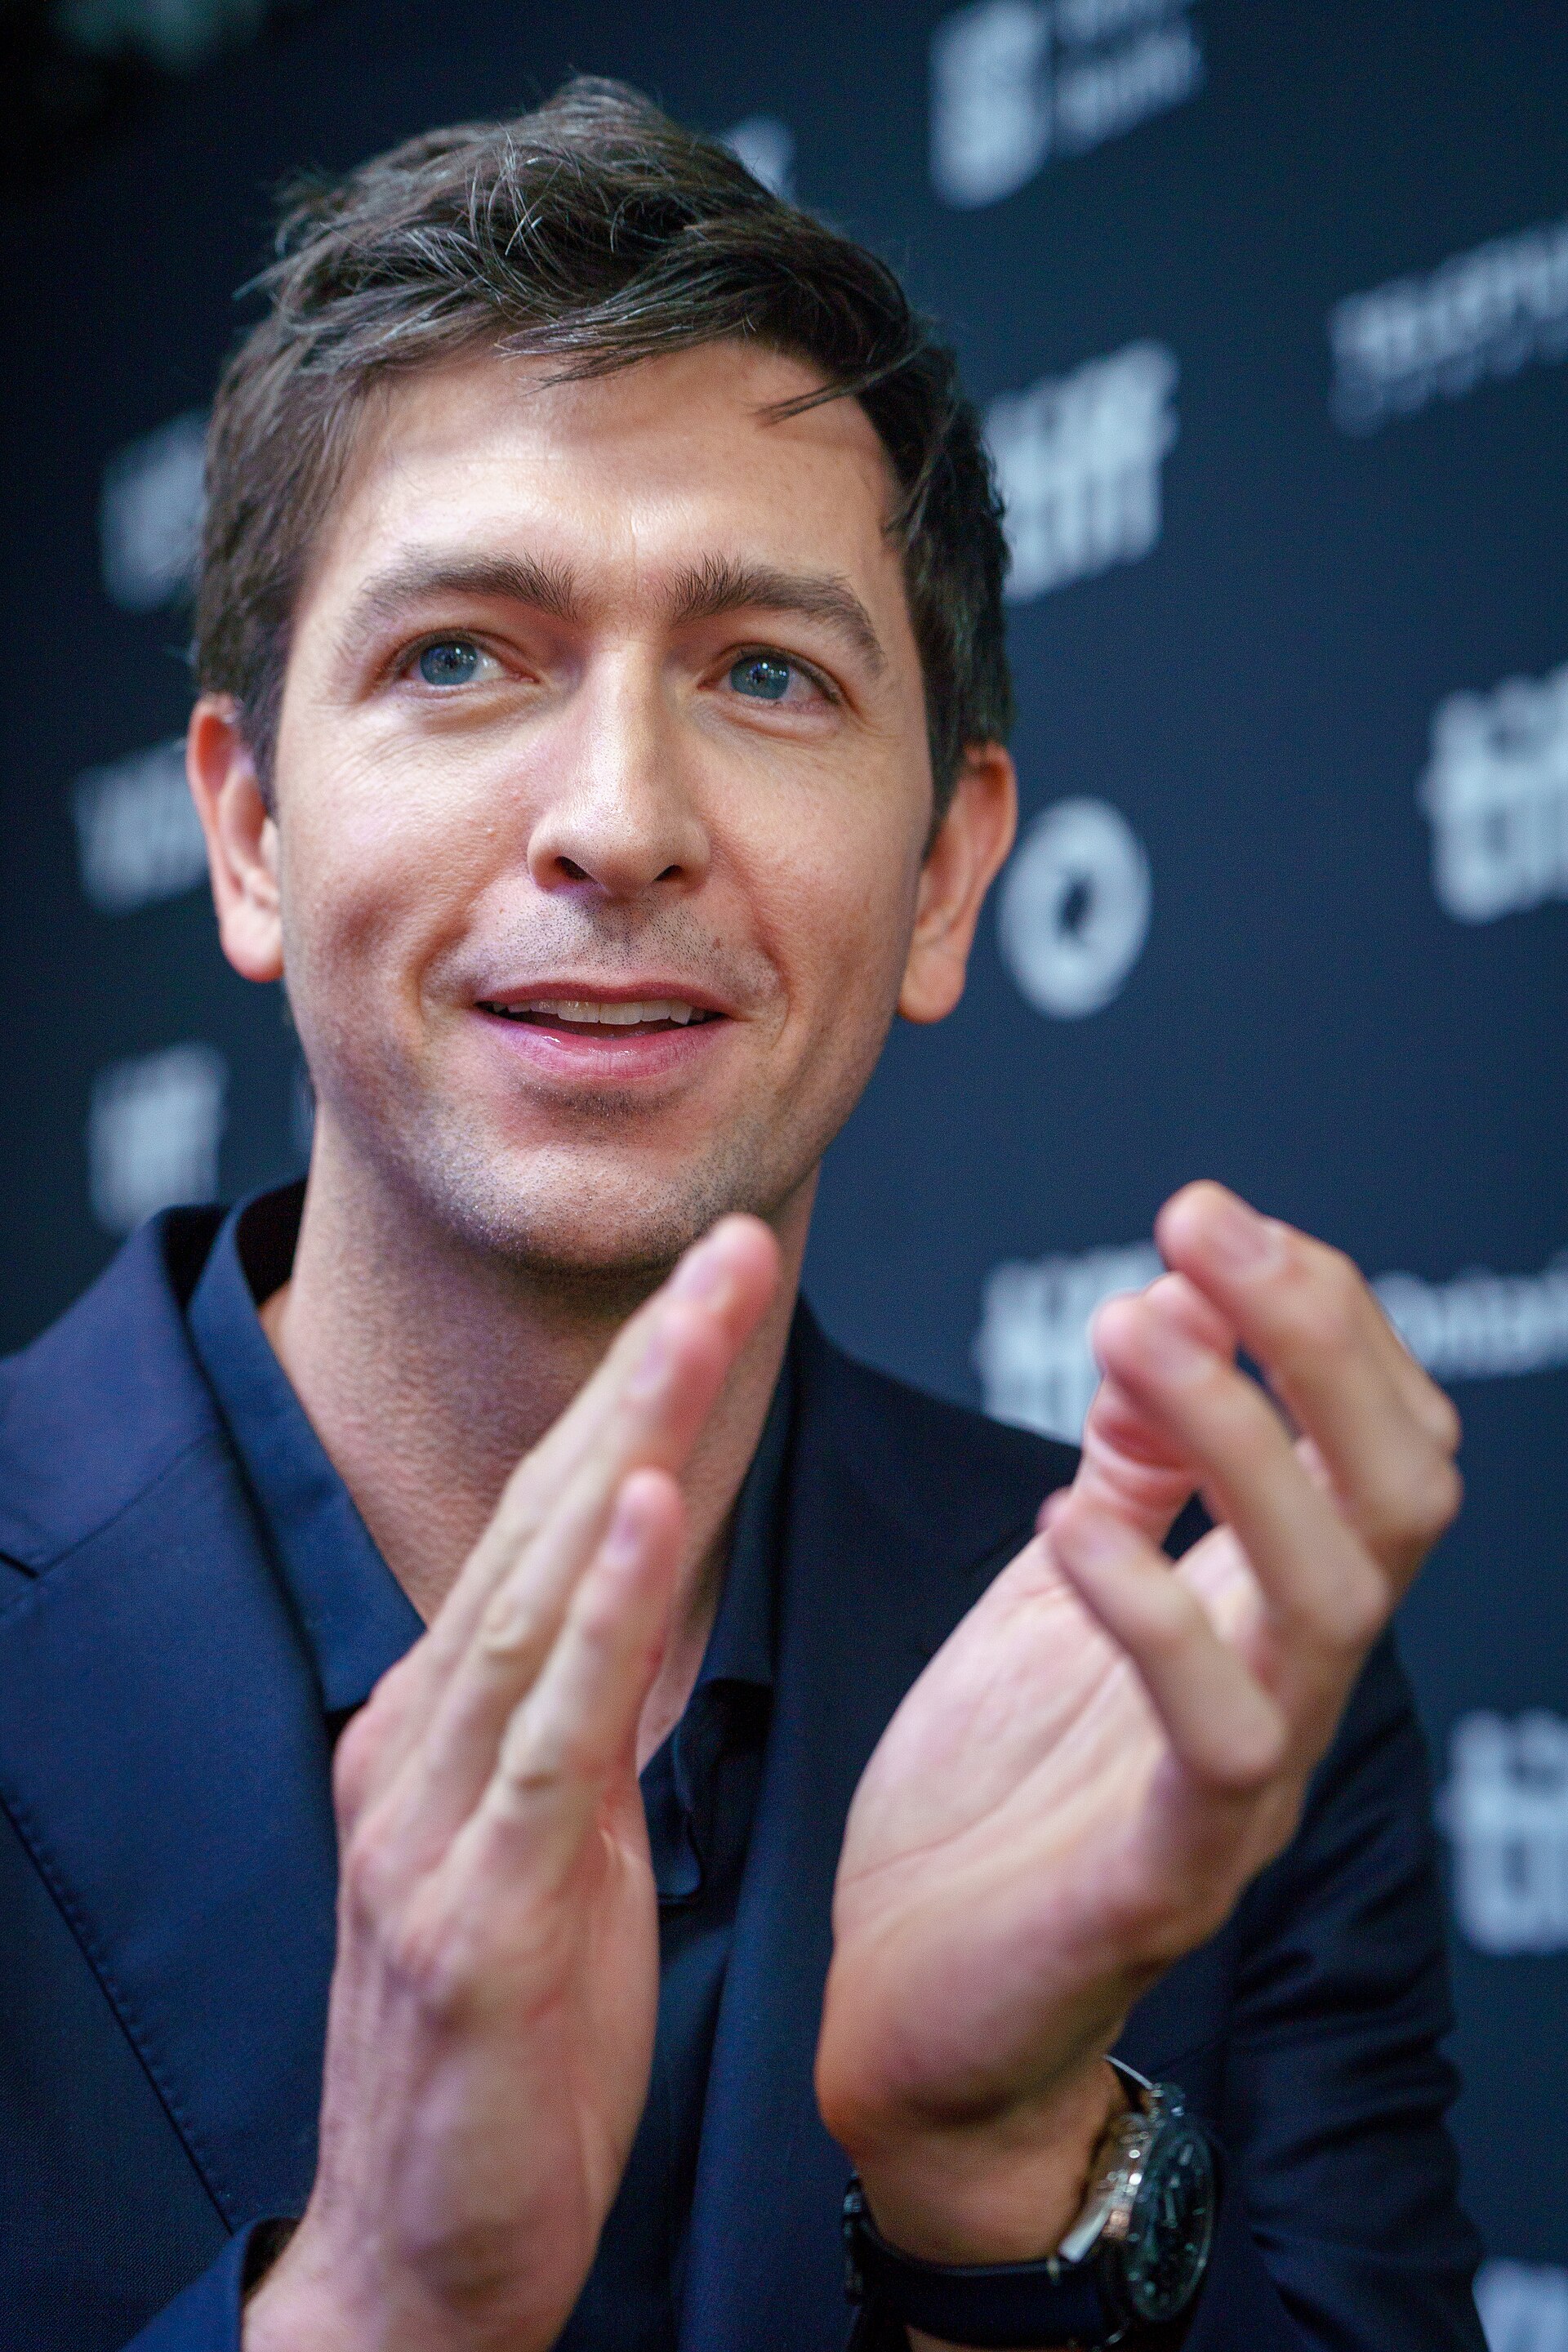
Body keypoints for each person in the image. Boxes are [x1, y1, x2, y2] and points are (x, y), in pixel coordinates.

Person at [0, 78, 1481, 2352]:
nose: (618, 819)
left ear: (950, 872)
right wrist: (376, 2305)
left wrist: (1003, 2192)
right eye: (460, 658)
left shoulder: (1194, 1689)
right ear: (249, 836)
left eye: (766, 675)